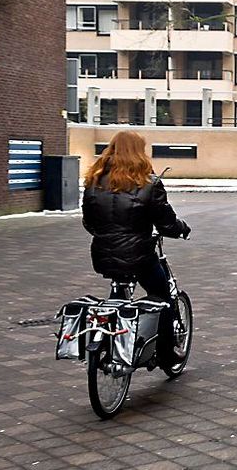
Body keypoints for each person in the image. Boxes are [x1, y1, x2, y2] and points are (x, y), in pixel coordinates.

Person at [81, 131, 190, 358]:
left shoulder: (93, 181)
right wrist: (181, 229)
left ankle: (109, 337)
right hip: (139, 255)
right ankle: (166, 353)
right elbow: (166, 223)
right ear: (139, 152)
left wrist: (107, 235)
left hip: (102, 254)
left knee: (118, 296)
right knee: (163, 296)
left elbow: (89, 222)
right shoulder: (149, 184)